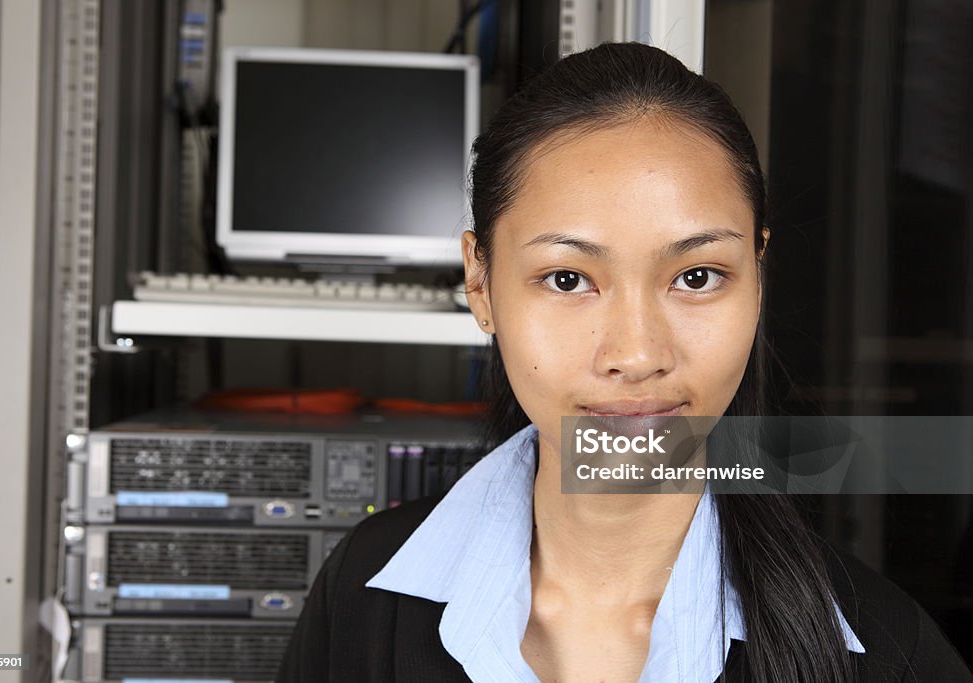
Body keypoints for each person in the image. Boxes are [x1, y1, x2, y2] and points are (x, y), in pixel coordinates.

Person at [275, 42, 972, 682]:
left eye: (696, 277)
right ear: (480, 285)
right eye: (569, 279)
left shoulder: (891, 655)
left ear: (758, 272)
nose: (636, 355)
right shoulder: (361, 598)